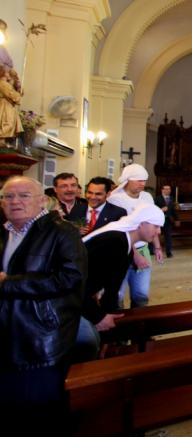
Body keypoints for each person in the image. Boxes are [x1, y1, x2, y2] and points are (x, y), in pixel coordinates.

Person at [0, 176, 87, 432]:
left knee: (40, 411)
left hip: (41, 338)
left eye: (24, 195)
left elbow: (71, 279)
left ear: (42, 201)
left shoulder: (62, 233)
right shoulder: (4, 232)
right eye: (8, 196)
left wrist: (9, 283)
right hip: (6, 335)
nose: (15, 201)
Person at [77, 204, 165, 360]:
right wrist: (98, 317)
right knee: (88, 341)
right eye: (156, 226)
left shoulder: (127, 245)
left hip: (80, 298)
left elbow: (113, 287)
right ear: (141, 223)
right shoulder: (114, 241)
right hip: (63, 299)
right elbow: (77, 285)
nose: (158, 232)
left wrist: (108, 319)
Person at [107, 164, 162, 307]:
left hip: (143, 248)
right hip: (122, 251)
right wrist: (135, 255)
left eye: (144, 180)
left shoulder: (147, 197)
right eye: (138, 180)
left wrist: (157, 247)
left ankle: (138, 326)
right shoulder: (115, 199)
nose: (142, 184)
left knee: (141, 294)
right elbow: (118, 231)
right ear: (127, 180)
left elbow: (153, 222)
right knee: (116, 294)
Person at [0, 62, 24, 141]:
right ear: (3, 73)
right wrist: (17, 97)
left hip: (7, 105)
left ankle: (2, 141)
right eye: (7, 72)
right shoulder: (3, 84)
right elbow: (13, 95)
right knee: (7, 123)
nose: (8, 74)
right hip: (5, 106)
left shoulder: (6, 84)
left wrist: (16, 83)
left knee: (8, 123)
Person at [154, 184, 179, 258]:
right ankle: (156, 250)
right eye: (166, 189)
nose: (168, 190)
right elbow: (153, 209)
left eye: (169, 189)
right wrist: (161, 210)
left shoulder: (172, 198)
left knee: (168, 236)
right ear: (162, 190)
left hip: (168, 220)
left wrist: (177, 219)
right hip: (159, 221)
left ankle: (169, 252)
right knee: (156, 236)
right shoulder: (157, 198)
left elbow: (173, 210)